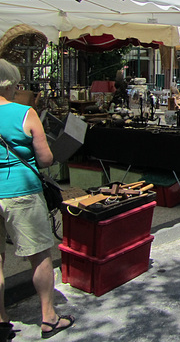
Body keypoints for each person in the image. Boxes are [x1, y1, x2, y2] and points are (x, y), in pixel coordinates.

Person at [0, 59, 75, 339]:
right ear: (9, 85)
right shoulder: (25, 112)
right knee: (39, 255)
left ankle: (1, 319)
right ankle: (49, 317)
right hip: (21, 192)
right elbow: (45, 158)